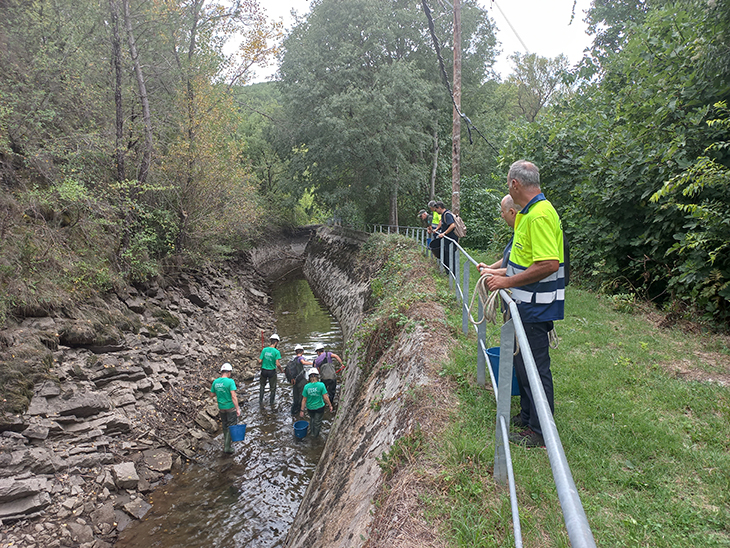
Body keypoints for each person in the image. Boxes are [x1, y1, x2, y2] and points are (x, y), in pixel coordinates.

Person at [485, 160, 565, 448]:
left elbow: (548, 264)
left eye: (508, 183)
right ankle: (528, 416)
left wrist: (504, 283)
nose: (508, 187)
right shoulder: (529, 214)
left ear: (515, 184)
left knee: (535, 366)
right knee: (522, 362)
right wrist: (502, 275)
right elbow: (520, 262)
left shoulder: (540, 216)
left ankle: (541, 432)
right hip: (523, 303)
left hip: (535, 305)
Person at [477, 194, 519, 276]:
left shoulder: (524, 232)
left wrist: (494, 272)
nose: (502, 216)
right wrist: (490, 267)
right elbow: (508, 258)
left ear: (512, 212)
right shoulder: (516, 231)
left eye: (503, 212)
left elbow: (522, 270)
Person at [209, 362, 241, 454]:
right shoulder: (230, 381)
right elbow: (233, 396)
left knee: (224, 426)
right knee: (231, 426)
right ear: (229, 372)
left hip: (221, 408)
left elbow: (211, 394)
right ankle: (227, 447)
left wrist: (220, 392)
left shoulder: (215, 382)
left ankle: (226, 442)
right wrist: (237, 409)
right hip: (230, 407)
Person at [300, 368, 333, 437]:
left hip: (310, 408)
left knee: (312, 419)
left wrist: (302, 410)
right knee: (317, 422)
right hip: (319, 407)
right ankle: (315, 436)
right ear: (317, 376)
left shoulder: (306, 387)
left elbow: (304, 400)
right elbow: (325, 397)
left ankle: (312, 432)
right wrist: (330, 405)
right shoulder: (321, 385)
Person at [428, 201, 459, 272]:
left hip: (451, 239)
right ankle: (448, 272)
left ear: (439, 208)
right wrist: (437, 230)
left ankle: (453, 274)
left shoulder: (447, 214)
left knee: (451, 256)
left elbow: (452, 225)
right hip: (447, 240)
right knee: (446, 256)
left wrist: (444, 233)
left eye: (436, 210)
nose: (435, 211)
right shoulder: (443, 214)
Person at [287, 344, 312, 417]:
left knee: (296, 397)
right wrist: (312, 363)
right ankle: (301, 412)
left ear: (295, 352)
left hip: (294, 381)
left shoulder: (294, 360)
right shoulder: (300, 358)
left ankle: (293, 413)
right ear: (303, 351)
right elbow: (303, 362)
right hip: (301, 381)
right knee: (302, 397)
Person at [258, 333, 283, 406]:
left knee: (262, 386)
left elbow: (259, 361)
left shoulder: (264, 350)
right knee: (273, 388)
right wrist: (281, 370)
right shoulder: (276, 352)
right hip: (272, 371)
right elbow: (278, 364)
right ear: (276, 342)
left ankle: (260, 400)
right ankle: (272, 402)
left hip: (264, 371)